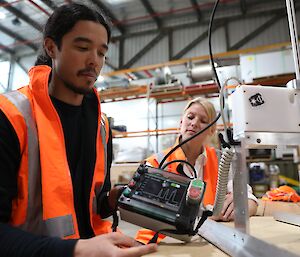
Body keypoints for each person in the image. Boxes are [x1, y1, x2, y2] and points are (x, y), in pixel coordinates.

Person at [0, 3, 157, 257]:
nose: (94, 60)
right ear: (51, 47)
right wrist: (77, 249)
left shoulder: (101, 126)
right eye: (83, 48)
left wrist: (112, 199)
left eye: (101, 52)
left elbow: (91, 205)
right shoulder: (10, 116)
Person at [135, 97, 258, 244]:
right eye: (190, 117)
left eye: (203, 120)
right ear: (181, 122)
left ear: (212, 130)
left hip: (207, 243)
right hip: (162, 244)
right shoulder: (156, 163)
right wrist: (204, 217)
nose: (194, 123)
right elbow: (146, 213)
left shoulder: (221, 160)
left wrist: (242, 205)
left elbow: (250, 199)